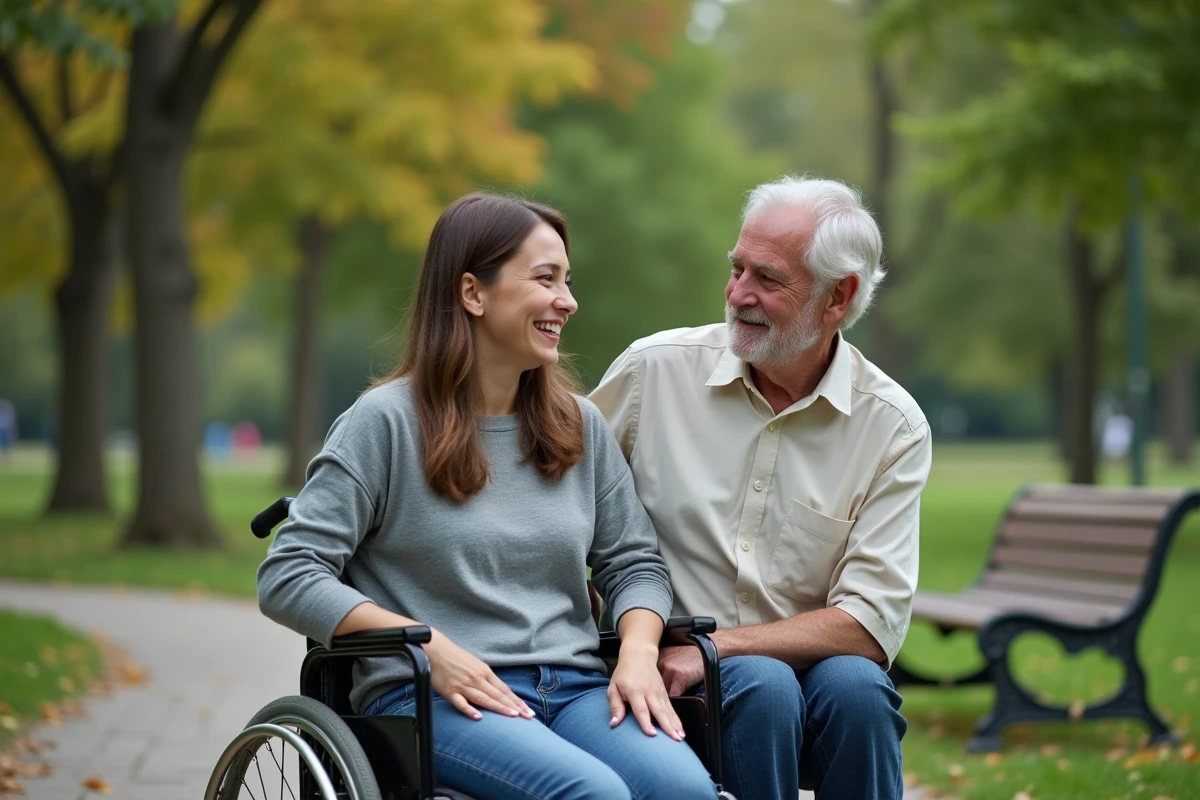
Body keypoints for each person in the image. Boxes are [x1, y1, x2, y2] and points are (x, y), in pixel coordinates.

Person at [258, 193, 717, 800]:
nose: (568, 301)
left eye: (568, 281)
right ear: (473, 293)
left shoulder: (578, 426)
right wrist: (432, 646)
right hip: (436, 696)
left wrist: (637, 649)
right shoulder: (385, 423)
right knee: (593, 795)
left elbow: (633, 563)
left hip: (578, 690)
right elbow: (289, 573)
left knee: (684, 792)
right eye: (545, 279)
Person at [590, 175, 932, 799]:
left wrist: (714, 648)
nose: (737, 294)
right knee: (763, 687)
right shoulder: (653, 372)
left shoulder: (891, 425)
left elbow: (871, 621)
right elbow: (557, 503)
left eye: (768, 280)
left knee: (859, 690)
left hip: (804, 677)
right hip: (662, 671)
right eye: (737, 268)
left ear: (838, 298)